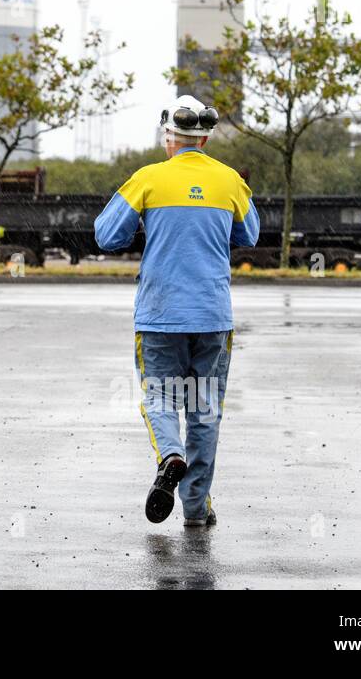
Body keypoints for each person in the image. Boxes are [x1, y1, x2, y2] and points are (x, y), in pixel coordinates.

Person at [93, 94, 259, 528]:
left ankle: (170, 455)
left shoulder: (147, 179)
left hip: (160, 314)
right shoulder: (230, 181)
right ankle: (196, 508)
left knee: (159, 397)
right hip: (212, 315)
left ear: (169, 136)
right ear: (204, 137)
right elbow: (250, 234)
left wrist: (149, 221)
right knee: (204, 410)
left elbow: (106, 236)